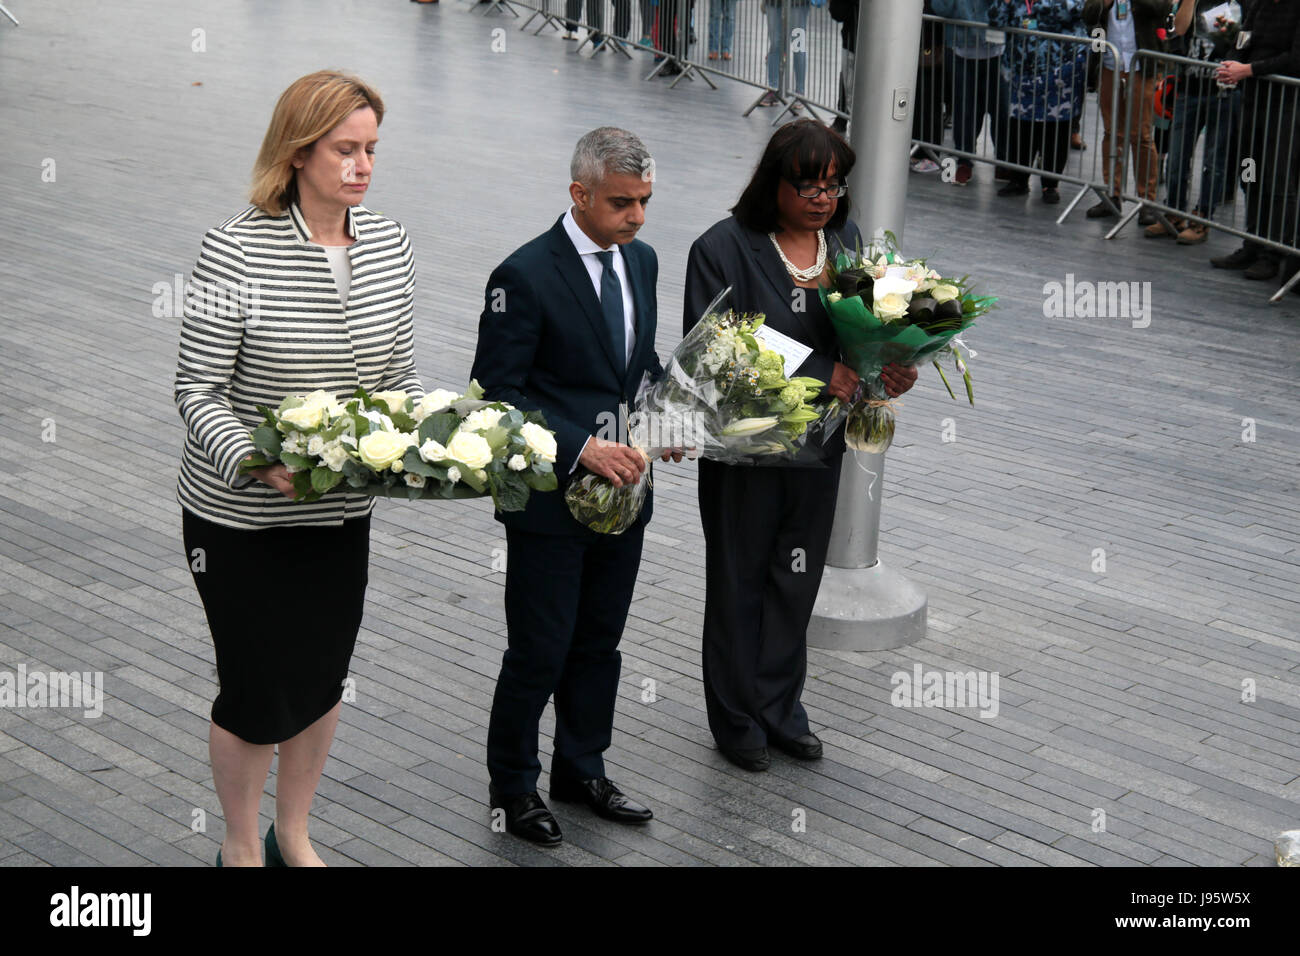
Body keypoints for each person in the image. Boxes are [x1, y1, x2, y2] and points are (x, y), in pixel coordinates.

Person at [174, 71, 423, 867]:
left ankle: (297, 833)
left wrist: (437, 445)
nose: (362, 166)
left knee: (321, 679)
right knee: (255, 691)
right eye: (345, 149)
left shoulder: (389, 244)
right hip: (241, 520)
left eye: (371, 150)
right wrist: (254, 459)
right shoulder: (234, 246)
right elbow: (196, 389)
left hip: (339, 515)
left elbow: (400, 384)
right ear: (297, 150)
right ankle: (242, 845)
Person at [683, 120, 918, 772]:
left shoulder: (845, 244)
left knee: (794, 582)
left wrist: (891, 364)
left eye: (833, 184)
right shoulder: (722, 248)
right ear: (774, 184)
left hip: (819, 450)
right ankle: (735, 720)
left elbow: (867, 336)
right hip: (746, 452)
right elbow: (710, 350)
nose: (823, 197)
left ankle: (781, 710)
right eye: (808, 184)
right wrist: (819, 372)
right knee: (739, 584)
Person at [471, 127, 678, 845]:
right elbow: (497, 398)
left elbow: (637, 360)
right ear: (579, 194)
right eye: (622, 203)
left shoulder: (642, 260)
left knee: (599, 642)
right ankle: (514, 787)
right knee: (540, 648)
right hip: (549, 505)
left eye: (646, 201)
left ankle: (581, 767)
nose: (638, 218)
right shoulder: (522, 276)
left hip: (626, 498)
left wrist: (668, 415)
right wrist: (579, 447)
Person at [1210, 0, 1300, 283]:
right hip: (1252, 102)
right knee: (1250, 174)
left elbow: (1296, 59)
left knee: (1278, 181)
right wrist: (1230, 63)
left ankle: (1273, 254)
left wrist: (1247, 70)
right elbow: (1243, 37)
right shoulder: (1259, 2)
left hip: (1285, 105)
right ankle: (1252, 243)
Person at [1147, 0, 1242, 243]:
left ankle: (1202, 218)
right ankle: (1175, 211)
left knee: (1214, 160)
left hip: (1223, 91)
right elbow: (1178, 30)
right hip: (1189, 88)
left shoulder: (1237, 3)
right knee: (1177, 156)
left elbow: (1244, 40)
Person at [1082, 0, 1174, 223]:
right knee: (1112, 133)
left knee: (1141, 135)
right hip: (1109, 64)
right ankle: (1112, 194)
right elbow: (1087, 14)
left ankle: (1147, 201)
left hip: (1142, 66)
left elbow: (1161, 9)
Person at [990, 0, 1089, 204]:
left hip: (1061, 68)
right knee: (1021, 127)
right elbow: (995, 19)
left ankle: (1050, 184)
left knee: (1056, 130)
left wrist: (1033, 6)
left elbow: (1071, 11)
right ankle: (1018, 179)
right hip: (1022, 69)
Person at [933, 0, 1009, 185]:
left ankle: (1003, 161)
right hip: (960, 47)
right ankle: (964, 160)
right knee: (964, 108)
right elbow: (941, 7)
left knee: (1001, 108)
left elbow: (1008, 7)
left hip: (997, 48)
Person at [760, 0, 811, 107]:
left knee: (798, 46)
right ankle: (773, 89)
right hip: (773, 3)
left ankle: (799, 94)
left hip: (798, 4)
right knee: (775, 44)